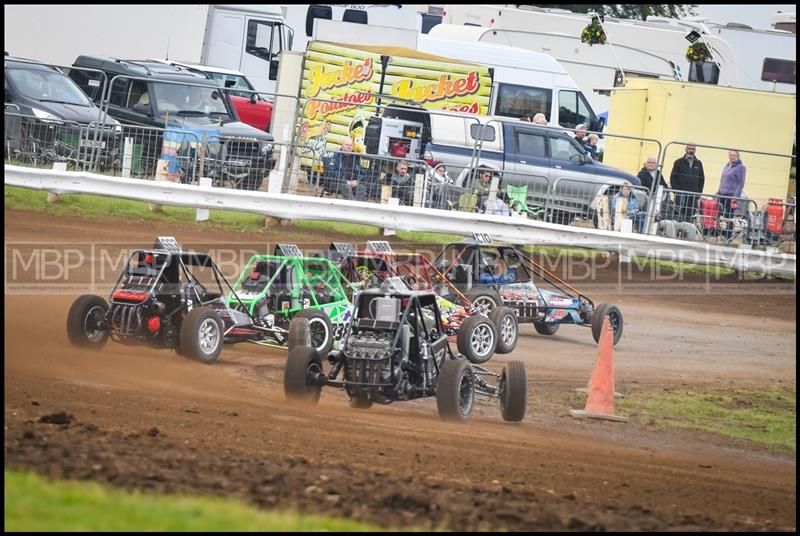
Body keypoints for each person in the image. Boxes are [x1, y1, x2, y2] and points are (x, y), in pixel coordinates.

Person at [669, 144, 705, 222]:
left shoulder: (699, 163)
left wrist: (698, 193)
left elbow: (702, 179)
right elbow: (673, 177)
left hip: (693, 195)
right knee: (678, 214)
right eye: (689, 148)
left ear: (695, 151)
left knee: (690, 216)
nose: (691, 150)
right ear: (686, 149)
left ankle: (686, 232)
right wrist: (676, 191)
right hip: (680, 194)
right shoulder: (678, 162)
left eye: (693, 149)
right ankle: (677, 232)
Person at [716, 150, 747, 238]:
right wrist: (718, 193)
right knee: (720, 215)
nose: (732, 157)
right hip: (722, 194)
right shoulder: (727, 166)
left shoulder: (741, 167)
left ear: (738, 156)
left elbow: (741, 183)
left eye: (734, 155)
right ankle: (720, 233)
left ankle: (728, 236)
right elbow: (722, 180)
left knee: (729, 216)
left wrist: (735, 197)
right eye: (730, 155)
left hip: (731, 196)